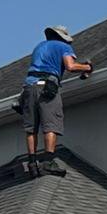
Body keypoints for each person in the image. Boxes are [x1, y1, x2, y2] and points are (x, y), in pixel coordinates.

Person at [17, 25, 93, 175]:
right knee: (51, 124)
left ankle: (32, 163)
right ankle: (48, 162)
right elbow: (70, 66)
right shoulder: (63, 46)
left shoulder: (39, 47)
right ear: (63, 37)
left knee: (31, 128)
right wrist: (87, 68)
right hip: (47, 87)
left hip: (29, 87)